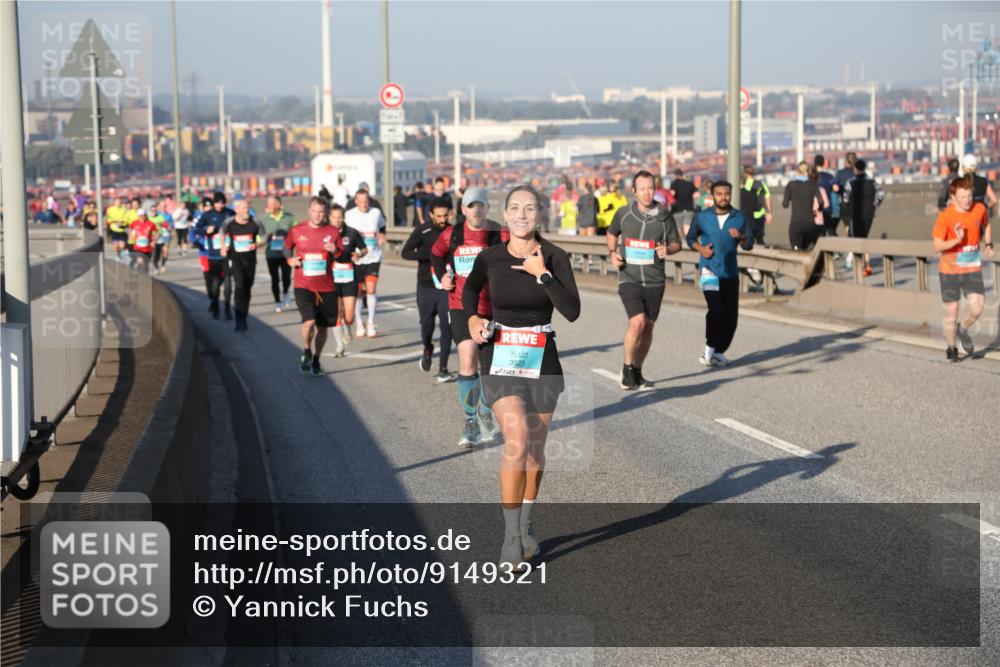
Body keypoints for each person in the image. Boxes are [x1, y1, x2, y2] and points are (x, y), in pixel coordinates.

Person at [462, 184, 581, 565]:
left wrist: (542, 274)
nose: (522, 215)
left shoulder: (556, 257)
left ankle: (527, 524)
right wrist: (473, 318)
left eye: (529, 208)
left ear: (540, 214)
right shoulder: (491, 257)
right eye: (515, 208)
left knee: (535, 450)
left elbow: (573, 310)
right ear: (507, 213)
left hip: (543, 358)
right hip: (500, 355)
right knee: (516, 440)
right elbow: (470, 291)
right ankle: (511, 537)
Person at [431, 187, 503, 448]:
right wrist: (443, 276)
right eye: (471, 205)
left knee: (490, 369)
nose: (476, 210)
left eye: (480, 205)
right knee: (467, 356)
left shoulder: (499, 233)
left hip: (493, 308)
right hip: (461, 304)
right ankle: (470, 420)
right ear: (463, 209)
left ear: (487, 207)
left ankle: (485, 408)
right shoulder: (452, 234)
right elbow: (436, 254)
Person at [607, 170, 682, 390]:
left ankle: (638, 370)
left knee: (648, 326)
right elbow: (612, 233)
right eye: (642, 189)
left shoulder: (664, 216)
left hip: (655, 279)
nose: (647, 193)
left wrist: (667, 249)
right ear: (634, 191)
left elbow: (677, 244)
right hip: (629, 277)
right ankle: (627, 368)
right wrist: (613, 253)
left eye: (650, 188)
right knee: (637, 321)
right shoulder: (624, 213)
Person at [686, 181, 754, 367]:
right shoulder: (702, 217)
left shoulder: (739, 217)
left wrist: (740, 237)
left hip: (730, 272)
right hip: (708, 270)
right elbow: (690, 238)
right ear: (713, 195)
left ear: (730, 195)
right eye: (719, 194)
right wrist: (701, 249)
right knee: (716, 310)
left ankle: (718, 351)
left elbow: (749, 244)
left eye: (726, 194)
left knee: (731, 318)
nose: (723, 197)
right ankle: (708, 348)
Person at [932, 177, 994, 361]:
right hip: (949, 270)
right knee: (953, 310)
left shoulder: (979, 208)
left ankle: (963, 328)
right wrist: (956, 241)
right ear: (953, 196)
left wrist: (988, 244)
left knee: (977, 308)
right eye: (963, 197)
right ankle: (952, 348)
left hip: (971, 268)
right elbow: (936, 246)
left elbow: (986, 223)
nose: (968, 200)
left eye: (969, 196)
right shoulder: (945, 216)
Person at [284, 197, 343, 376]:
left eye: (321, 212)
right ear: (309, 210)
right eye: (314, 211)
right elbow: (286, 248)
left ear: (325, 213)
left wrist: (334, 250)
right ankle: (306, 350)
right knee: (309, 322)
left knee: (323, 327)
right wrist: (290, 259)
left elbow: (341, 255)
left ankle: (316, 359)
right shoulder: (297, 230)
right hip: (303, 285)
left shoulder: (332, 231)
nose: (317, 215)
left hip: (326, 286)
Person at [402, 197, 455, 381]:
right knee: (427, 326)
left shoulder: (453, 231)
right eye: (438, 216)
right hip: (426, 285)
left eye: (445, 215)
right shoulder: (422, 230)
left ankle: (443, 368)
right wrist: (429, 253)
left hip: (446, 287)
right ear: (431, 214)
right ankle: (427, 347)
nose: (442, 219)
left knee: (447, 326)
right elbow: (405, 252)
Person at [326, 203, 368, 357]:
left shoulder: (352, 233)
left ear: (344, 218)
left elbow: (364, 249)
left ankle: (347, 326)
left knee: (348, 315)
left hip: (349, 276)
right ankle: (339, 346)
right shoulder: (325, 233)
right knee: (336, 312)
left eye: (340, 218)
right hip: (331, 277)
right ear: (329, 217)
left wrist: (359, 255)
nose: (337, 221)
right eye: (334, 218)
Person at [346, 189, 387, 337]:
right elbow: (344, 233)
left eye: (366, 201)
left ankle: (370, 322)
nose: (364, 204)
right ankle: (359, 322)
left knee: (370, 289)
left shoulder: (376, 213)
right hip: (356, 259)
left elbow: (382, 226)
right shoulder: (349, 215)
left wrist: (382, 235)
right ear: (356, 201)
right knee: (357, 293)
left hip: (373, 256)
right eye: (361, 201)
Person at [221, 199, 263, 332]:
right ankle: (239, 320)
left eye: (247, 208)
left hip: (250, 261)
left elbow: (265, 236)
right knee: (239, 287)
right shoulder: (229, 222)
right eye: (244, 208)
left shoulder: (255, 222)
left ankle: (244, 316)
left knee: (247, 289)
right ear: (236, 210)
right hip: (235, 260)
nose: (247, 210)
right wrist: (223, 246)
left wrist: (257, 244)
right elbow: (221, 232)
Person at [192, 192, 235, 320]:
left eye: (222, 202)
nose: (220, 205)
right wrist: (206, 231)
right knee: (215, 282)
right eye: (218, 202)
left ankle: (227, 309)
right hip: (213, 255)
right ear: (213, 203)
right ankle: (215, 305)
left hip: (228, 253)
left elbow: (237, 227)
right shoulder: (207, 215)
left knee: (227, 281)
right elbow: (196, 229)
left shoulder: (230, 213)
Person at [843, 158, 885, 275]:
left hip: (855, 214)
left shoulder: (850, 182)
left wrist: (847, 208)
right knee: (865, 237)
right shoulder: (872, 182)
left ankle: (861, 265)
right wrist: (874, 205)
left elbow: (845, 198)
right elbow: (881, 194)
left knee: (857, 239)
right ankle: (867, 264)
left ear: (855, 169)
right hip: (869, 214)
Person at [261, 195, 296, 312]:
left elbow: (296, 232)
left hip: (286, 253)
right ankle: (277, 301)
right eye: (268, 203)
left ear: (278, 205)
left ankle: (286, 293)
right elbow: (258, 236)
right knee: (274, 279)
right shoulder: (264, 219)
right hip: (271, 254)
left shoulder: (289, 218)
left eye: (271, 203)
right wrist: (262, 240)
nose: (268, 205)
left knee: (286, 277)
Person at [783, 161, 825, 251]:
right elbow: (821, 202)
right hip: (810, 223)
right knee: (807, 250)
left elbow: (785, 204)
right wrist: (819, 210)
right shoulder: (813, 185)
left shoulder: (791, 185)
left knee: (796, 250)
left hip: (796, 223)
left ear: (797, 171)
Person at [740, 164, 772, 246]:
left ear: (744, 173)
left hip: (748, 214)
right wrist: (769, 213)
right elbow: (767, 197)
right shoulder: (761, 184)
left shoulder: (743, 185)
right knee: (759, 237)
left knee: (747, 237)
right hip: (760, 213)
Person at [833, 151, 857, 235]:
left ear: (846, 161)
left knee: (847, 226)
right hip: (857, 204)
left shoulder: (840, 173)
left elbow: (835, 188)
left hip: (845, 205)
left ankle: (851, 243)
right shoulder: (858, 173)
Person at [128, 208, 157, 274]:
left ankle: (144, 276)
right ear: (138, 216)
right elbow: (130, 229)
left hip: (148, 248)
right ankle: (139, 273)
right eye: (140, 216)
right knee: (140, 261)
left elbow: (156, 233)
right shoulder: (134, 223)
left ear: (145, 215)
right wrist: (130, 236)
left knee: (146, 265)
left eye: (143, 215)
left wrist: (154, 241)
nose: (142, 217)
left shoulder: (151, 224)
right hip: (137, 247)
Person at [814, 155, 837, 237]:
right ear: (823, 163)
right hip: (827, 207)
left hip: (813, 208)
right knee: (829, 229)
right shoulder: (829, 176)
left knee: (818, 230)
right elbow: (835, 188)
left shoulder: (811, 176)